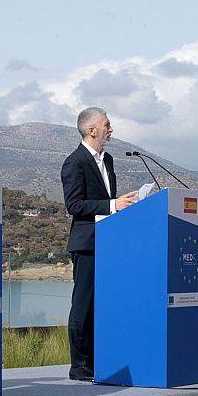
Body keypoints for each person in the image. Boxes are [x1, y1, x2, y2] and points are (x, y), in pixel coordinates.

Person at [60, 107, 138, 381]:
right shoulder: (75, 162)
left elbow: (107, 202)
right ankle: (78, 364)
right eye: (107, 124)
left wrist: (120, 207)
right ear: (91, 130)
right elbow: (74, 205)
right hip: (86, 243)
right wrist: (113, 205)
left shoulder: (109, 161)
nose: (111, 129)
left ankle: (96, 359)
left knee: (101, 304)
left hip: (107, 242)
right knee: (83, 303)